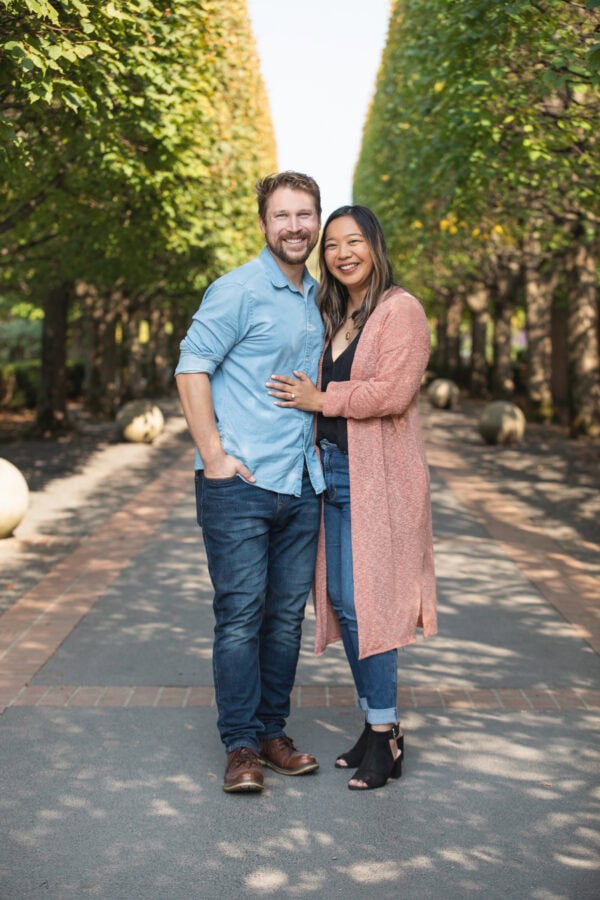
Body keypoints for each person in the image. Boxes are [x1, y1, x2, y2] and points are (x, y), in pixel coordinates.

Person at [266, 205, 437, 790]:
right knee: (343, 598)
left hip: (380, 479)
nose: (342, 253)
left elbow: (392, 392)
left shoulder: (401, 310)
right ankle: (374, 725)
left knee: (372, 604)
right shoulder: (335, 313)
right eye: (332, 244)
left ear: (375, 245)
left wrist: (322, 400)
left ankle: (386, 732)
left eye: (354, 241)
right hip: (333, 475)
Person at [175, 172, 326, 794]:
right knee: (240, 616)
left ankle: (271, 732)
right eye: (282, 215)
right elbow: (191, 368)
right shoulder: (237, 290)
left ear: (316, 221)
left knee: (285, 619)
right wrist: (213, 455)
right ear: (264, 224)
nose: (294, 226)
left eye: (305, 214)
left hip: (302, 485)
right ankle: (239, 746)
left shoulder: (321, 296)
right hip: (239, 483)